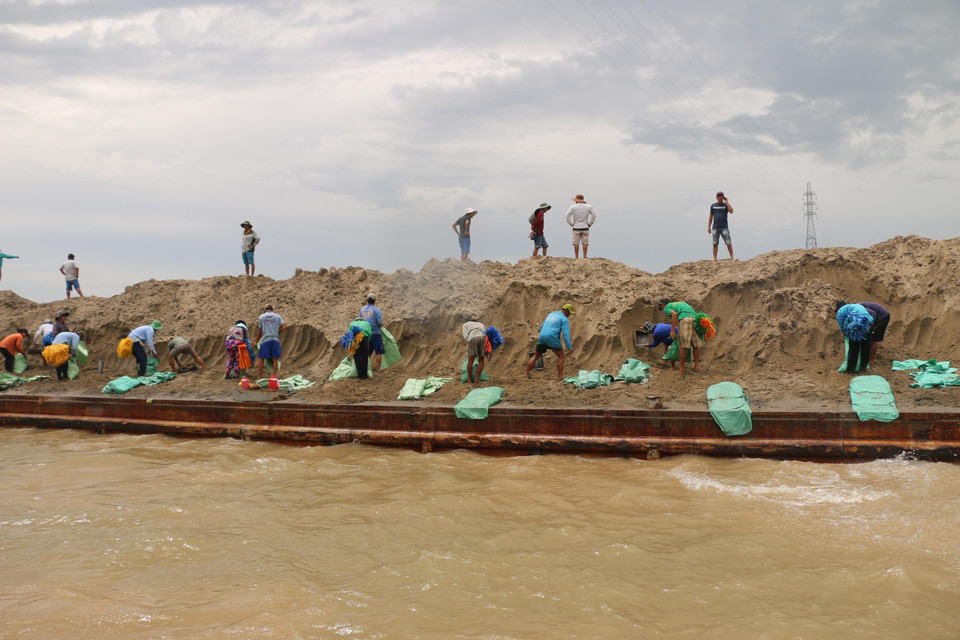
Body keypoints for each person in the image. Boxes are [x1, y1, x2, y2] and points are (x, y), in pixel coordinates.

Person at [525, 304, 575, 380]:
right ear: (565, 311)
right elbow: (566, 334)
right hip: (552, 337)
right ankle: (560, 377)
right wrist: (569, 347)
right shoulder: (564, 319)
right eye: (569, 313)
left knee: (536, 356)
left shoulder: (551, 314)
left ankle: (526, 373)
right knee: (561, 356)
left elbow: (542, 326)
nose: (569, 315)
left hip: (542, 336)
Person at [835, 300, 890, 370]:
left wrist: (870, 325)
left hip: (882, 316)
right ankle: (863, 366)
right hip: (868, 319)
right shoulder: (853, 309)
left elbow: (873, 313)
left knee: (873, 339)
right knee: (865, 341)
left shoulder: (858, 308)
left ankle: (871, 361)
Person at [658, 298, 702, 373]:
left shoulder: (667, 307)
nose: (662, 309)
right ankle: (696, 366)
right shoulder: (681, 304)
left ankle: (682, 369)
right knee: (695, 345)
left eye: (660, 307)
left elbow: (674, 315)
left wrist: (672, 331)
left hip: (685, 320)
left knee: (683, 345)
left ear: (663, 304)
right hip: (694, 319)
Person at [256, 304, 286, 378]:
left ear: (265, 309)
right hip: (275, 339)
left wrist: (256, 341)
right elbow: (284, 327)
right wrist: (277, 331)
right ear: (272, 309)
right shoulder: (278, 316)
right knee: (274, 359)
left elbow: (260, 330)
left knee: (261, 358)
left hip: (266, 339)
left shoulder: (261, 317)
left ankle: (260, 376)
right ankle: (274, 376)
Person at [360, 293, 385, 373]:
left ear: (367, 300)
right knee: (378, 352)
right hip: (376, 333)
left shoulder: (362, 310)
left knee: (368, 352)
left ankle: (368, 369)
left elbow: (361, 321)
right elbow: (379, 322)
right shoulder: (376, 310)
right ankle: (378, 369)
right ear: (375, 301)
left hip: (366, 333)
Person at [709, 191, 734, 261]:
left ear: (723, 197)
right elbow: (711, 216)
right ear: (716, 197)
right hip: (715, 227)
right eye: (718, 196)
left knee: (728, 242)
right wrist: (709, 226)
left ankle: (732, 257)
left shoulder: (725, 205)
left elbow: (731, 211)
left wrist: (727, 202)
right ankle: (714, 258)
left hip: (724, 227)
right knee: (715, 244)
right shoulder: (713, 206)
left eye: (721, 196)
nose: (720, 197)